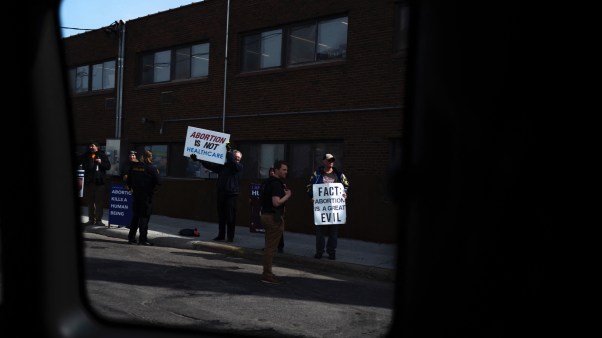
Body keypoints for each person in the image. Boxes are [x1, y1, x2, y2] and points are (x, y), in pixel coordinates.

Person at [190, 143, 243, 242]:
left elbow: (232, 163)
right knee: (221, 216)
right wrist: (199, 159)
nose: (237, 159)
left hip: (232, 195)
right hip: (221, 194)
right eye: (235, 156)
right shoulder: (224, 166)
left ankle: (230, 237)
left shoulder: (238, 167)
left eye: (238, 157)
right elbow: (211, 166)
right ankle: (221, 235)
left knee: (231, 217)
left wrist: (228, 153)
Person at [306, 153, 349, 260]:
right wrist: (312, 196)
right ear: (324, 161)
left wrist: (345, 193)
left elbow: (346, 185)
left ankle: (331, 252)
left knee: (333, 233)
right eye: (329, 160)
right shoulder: (317, 174)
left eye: (332, 160)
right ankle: (319, 252)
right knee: (320, 232)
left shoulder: (339, 175)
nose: (331, 162)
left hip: (335, 209)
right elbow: (309, 186)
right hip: (321, 208)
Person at [260, 160, 291, 284]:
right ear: (276, 170)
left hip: (266, 215)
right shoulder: (276, 184)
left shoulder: (267, 182)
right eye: (283, 169)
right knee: (271, 248)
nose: (286, 172)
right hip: (273, 218)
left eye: (286, 170)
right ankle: (267, 274)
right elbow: (276, 202)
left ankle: (267, 272)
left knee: (269, 246)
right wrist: (288, 195)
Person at [126, 150, 161, 245]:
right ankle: (143, 239)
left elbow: (128, 181)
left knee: (135, 217)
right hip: (146, 196)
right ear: (150, 157)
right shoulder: (151, 169)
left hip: (136, 195)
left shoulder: (133, 167)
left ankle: (131, 238)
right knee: (144, 218)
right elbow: (159, 182)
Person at [79, 141, 111, 226]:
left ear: (97, 147)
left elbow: (108, 166)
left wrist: (101, 162)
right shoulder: (86, 155)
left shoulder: (102, 155)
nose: (91, 147)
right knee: (90, 203)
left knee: (99, 203)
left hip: (99, 183)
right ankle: (91, 220)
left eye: (92, 146)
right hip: (89, 183)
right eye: (90, 146)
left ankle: (99, 220)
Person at [260, 167, 284, 253]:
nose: (272, 173)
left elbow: (279, 200)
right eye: (271, 172)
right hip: (268, 210)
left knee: (278, 230)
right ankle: (269, 246)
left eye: (273, 171)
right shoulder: (266, 183)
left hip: (276, 211)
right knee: (269, 231)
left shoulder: (278, 183)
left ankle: (279, 246)